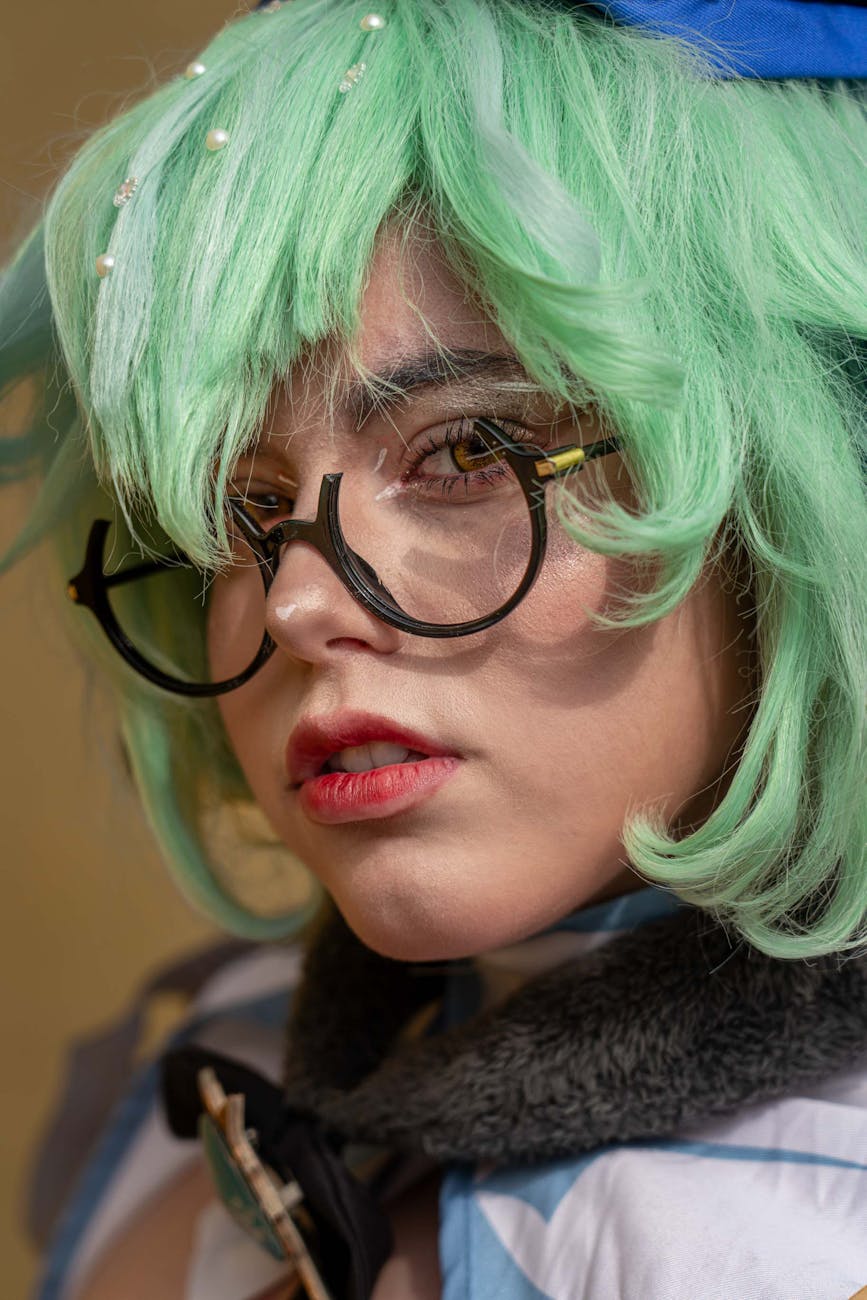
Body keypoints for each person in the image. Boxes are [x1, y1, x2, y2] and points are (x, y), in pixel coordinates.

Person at [2, 0, 866, 1296]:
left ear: (809, 482)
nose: (295, 602)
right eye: (240, 511)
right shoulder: (200, 1092)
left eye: (468, 449)